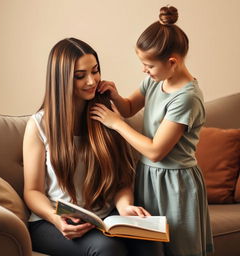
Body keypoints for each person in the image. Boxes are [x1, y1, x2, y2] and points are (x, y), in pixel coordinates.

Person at [91, 6, 214, 256]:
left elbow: (156, 150)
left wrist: (116, 124)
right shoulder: (155, 80)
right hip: (148, 178)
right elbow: (128, 108)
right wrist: (115, 95)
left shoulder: (187, 99)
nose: (144, 70)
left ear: (172, 62)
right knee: (151, 247)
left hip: (175, 184)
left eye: (149, 65)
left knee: (179, 248)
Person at [23, 37, 160, 256]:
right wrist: (56, 218)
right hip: (52, 222)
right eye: (80, 76)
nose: (91, 81)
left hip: (105, 217)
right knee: (107, 249)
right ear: (61, 79)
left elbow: (122, 180)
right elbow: (32, 191)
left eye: (95, 71)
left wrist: (124, 207)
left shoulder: (106, 114)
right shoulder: (39, 125)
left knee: (149, 243)